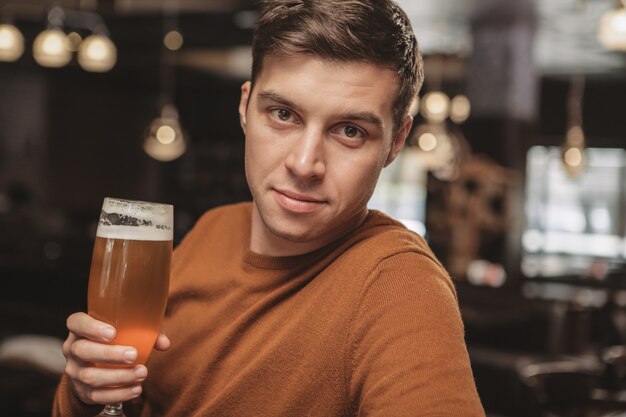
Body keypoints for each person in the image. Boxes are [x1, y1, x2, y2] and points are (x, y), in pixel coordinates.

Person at [53, 0, 485, 415]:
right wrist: (84, 393)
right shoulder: (212, 229)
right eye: (283, 114)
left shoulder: (399, 283)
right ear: (245, 107)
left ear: (395, 142)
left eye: (349, 130)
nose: (304, 163)